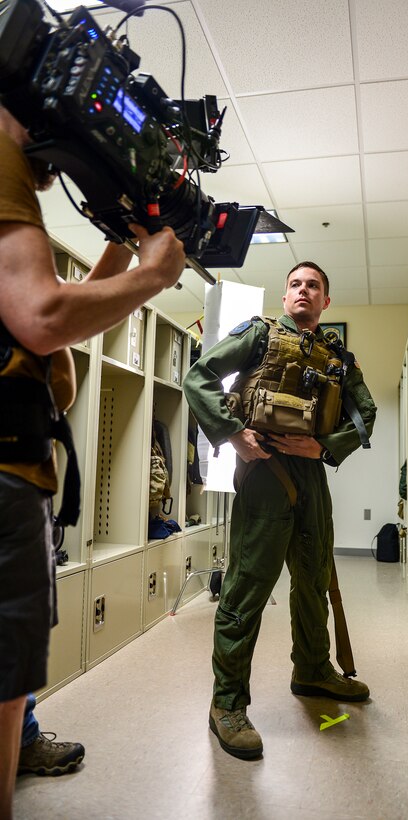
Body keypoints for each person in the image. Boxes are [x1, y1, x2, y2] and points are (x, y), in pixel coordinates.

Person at [0, 102, 186, 818]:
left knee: (10, 681)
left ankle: (26, 737)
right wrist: (150, 280)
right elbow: (44, 317)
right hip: (4, 476)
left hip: (22, 469)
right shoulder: (2, 160)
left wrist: (118, 246)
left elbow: (49, 316)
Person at [183, 261, 377, 759]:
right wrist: (232, 434)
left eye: (314, 285)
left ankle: (312, 671)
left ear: (325, 301)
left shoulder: (339, 357)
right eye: (295, 284)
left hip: (312, 478)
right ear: (286, 295)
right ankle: (226, 704)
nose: (303, 291)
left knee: (313, 582)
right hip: (266, 473)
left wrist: (327, 447)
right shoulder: (260, 336)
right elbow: (198, 377)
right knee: (247, 589)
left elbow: (366, 412)